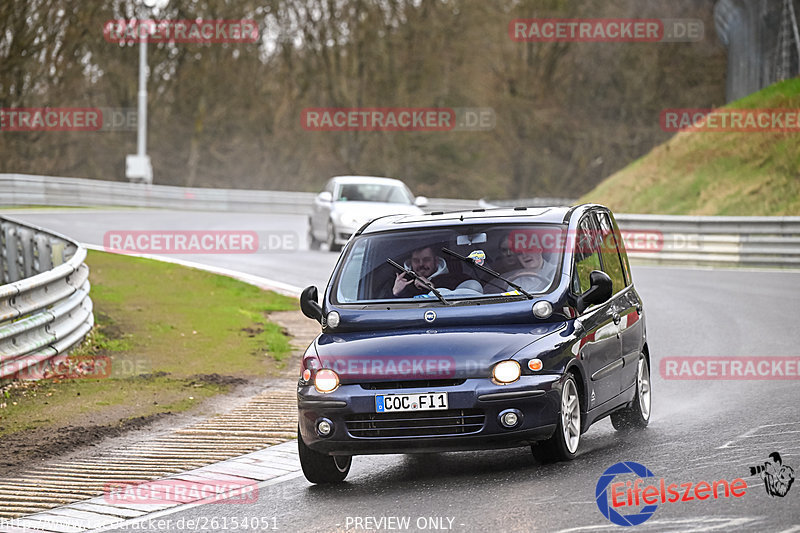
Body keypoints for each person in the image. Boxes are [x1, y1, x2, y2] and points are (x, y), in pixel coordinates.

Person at [391, 246, 472, 298]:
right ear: (411, 262)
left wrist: (432, 288)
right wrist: (396, 293)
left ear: (436, 261)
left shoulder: (455, 280)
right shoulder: (401, 281)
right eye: (416, 261)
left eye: (426, 260)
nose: (421, 264)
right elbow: (386, 310)